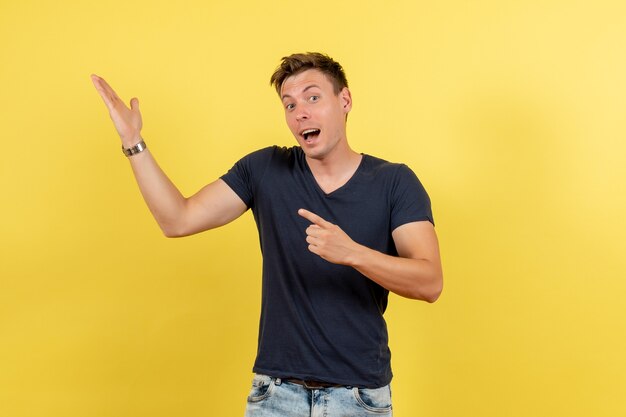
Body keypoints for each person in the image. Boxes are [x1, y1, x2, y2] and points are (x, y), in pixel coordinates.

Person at [91, 52, 443, 417]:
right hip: (275, 397)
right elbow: (177, 220)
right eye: (289, 105)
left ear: (345, 100)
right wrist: (134, 142)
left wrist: (352, 252)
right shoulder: (265, 170)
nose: (300, 112)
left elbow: (430, 281)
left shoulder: (394, 182)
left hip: (359, 398)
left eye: (312, 97)